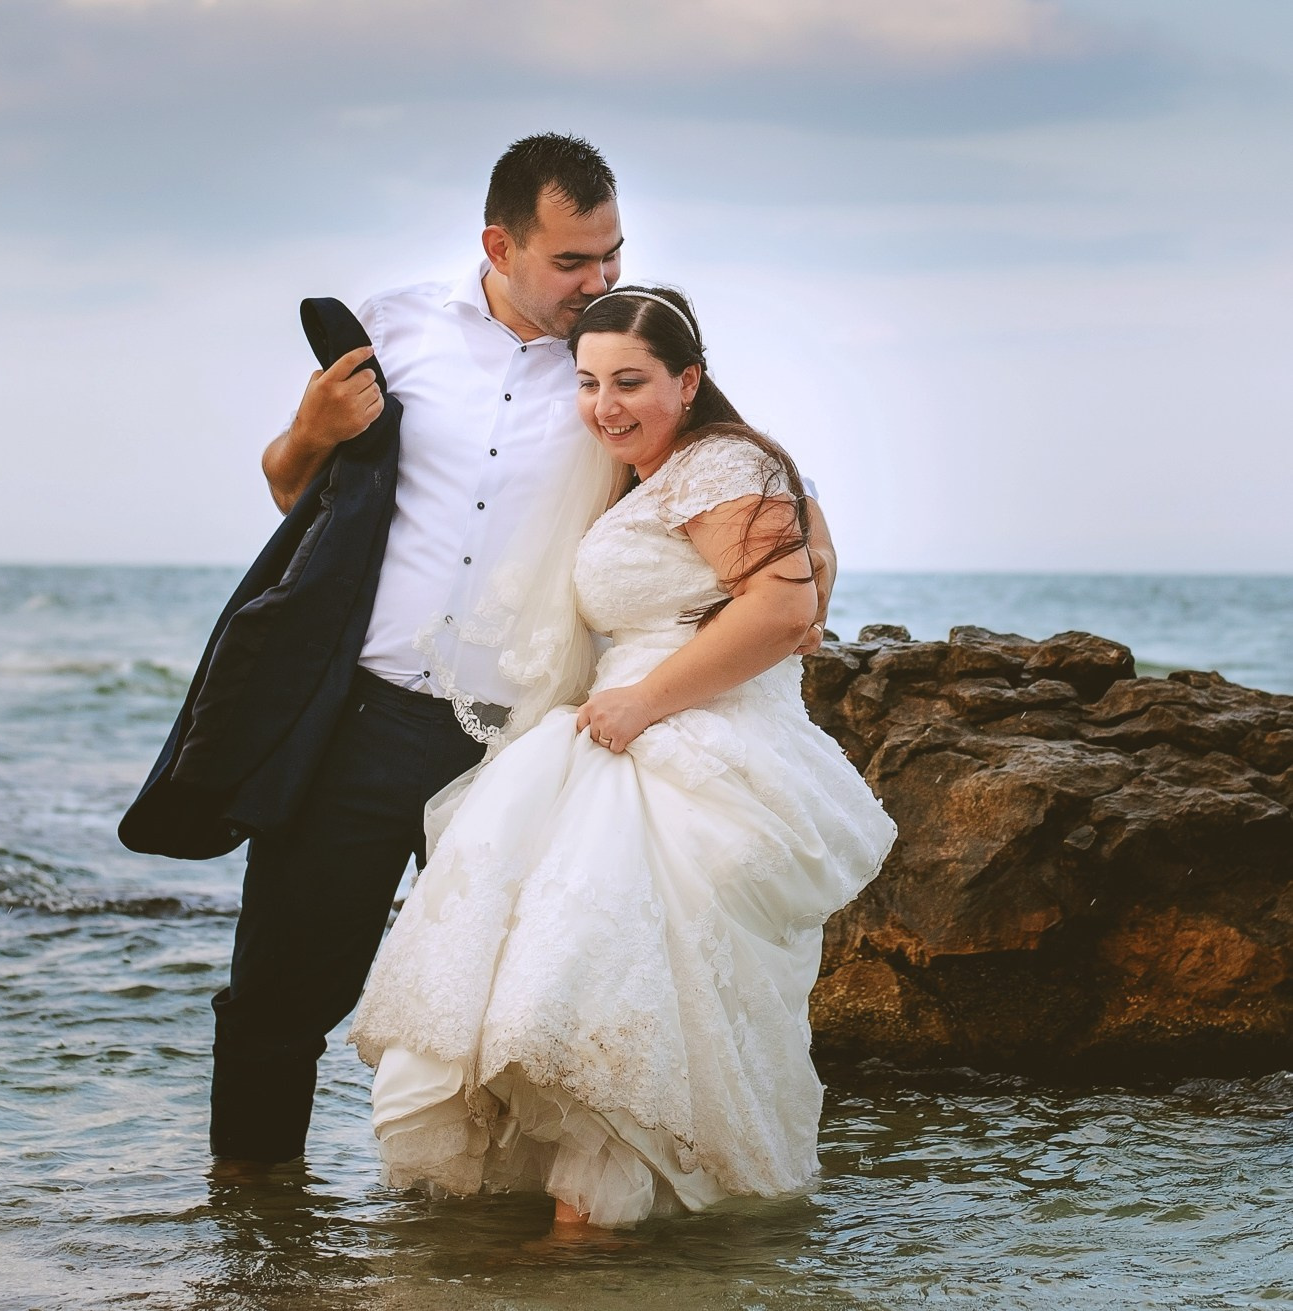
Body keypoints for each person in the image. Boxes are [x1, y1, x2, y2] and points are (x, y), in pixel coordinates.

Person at [208, 136, 840, 1168]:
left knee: (506, 1016)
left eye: (612, 254)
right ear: (499, 246)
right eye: (571, 261)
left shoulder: (613, 364)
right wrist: (313, 428)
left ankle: (471, 1238)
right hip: (365, 718)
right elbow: (291, 488)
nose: (599, 280)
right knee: (280, 995)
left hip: (527, 741)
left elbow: (743, 478)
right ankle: (250, 1228)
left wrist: (807, 564)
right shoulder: (394, 327)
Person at [346, 285, 897, 1228]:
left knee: (607, 986)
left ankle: (591, 1240)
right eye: (589, 381)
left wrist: (643, 701)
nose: (605, 405)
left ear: (687, 380)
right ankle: (589, 1244)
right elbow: (794, 561)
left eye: (630, 381)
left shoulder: (718, 462)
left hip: (685, 745)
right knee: (586, 985)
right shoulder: (660, 472)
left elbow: (782, 609)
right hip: (624, 735)